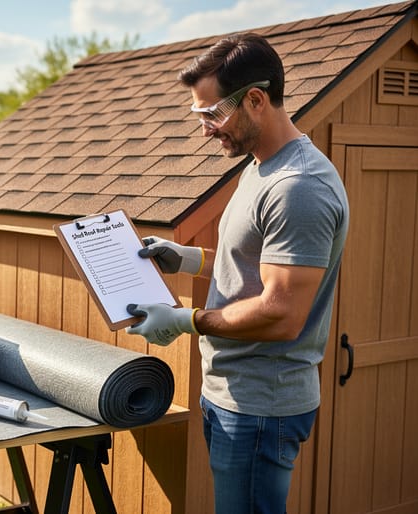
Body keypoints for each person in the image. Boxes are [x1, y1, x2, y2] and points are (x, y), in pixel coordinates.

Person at [125, 33, 349, 513]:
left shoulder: (299, 187)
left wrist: (185, 320)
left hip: (261, 405)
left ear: (255, 99)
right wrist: (187, 259)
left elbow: (281, 314)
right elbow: (251, 266)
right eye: (198, 115)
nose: (205, 128)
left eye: (212, 113)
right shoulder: (261, 167)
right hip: (232, 393)